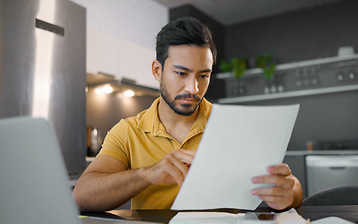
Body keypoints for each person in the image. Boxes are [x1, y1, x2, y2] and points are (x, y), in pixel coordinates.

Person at [73, 17, 302, 212]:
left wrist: (288, 192)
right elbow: (81, 196)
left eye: (203, 76)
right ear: (157, 70)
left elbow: (293, 188)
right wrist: (148, 174)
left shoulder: (233, 125)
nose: (193, 88)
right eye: (181, 73)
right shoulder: (127, 131)